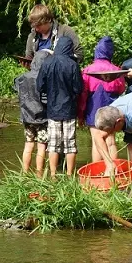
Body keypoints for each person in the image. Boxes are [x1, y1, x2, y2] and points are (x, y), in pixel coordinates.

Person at [36, 36, 83, 177]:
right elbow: (78, 88)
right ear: (69, 48)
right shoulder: (73, 65)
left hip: (52, 110)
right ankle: (69, 175)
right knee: (70, 145)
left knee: (53, 144)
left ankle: (53, 175)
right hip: (69, 109)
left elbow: (40, 86)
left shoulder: (47, 63)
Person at [78, 37, 126, 162]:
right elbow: (121, 89)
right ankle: (112, 173)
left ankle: (97, 172)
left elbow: (83, 94)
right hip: (112, 110)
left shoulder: (88, 70)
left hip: (93, 109)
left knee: (96, 142)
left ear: (97, 51)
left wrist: (81, 114)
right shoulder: (116, 70)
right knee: (111, 142)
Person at [13, 50, 51, 177]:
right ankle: (39, 175)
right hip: (43, 119)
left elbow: (16, 88)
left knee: (28, 145)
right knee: (41, 147)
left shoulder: (22, 78)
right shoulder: (45, 79)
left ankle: (24, 173)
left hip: (27, 118)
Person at [94, 92, 132, 172]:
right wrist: (109, 163)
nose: (110, 134)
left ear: (119, 121)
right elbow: (98, 136)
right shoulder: (111, 111)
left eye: (111, 130)